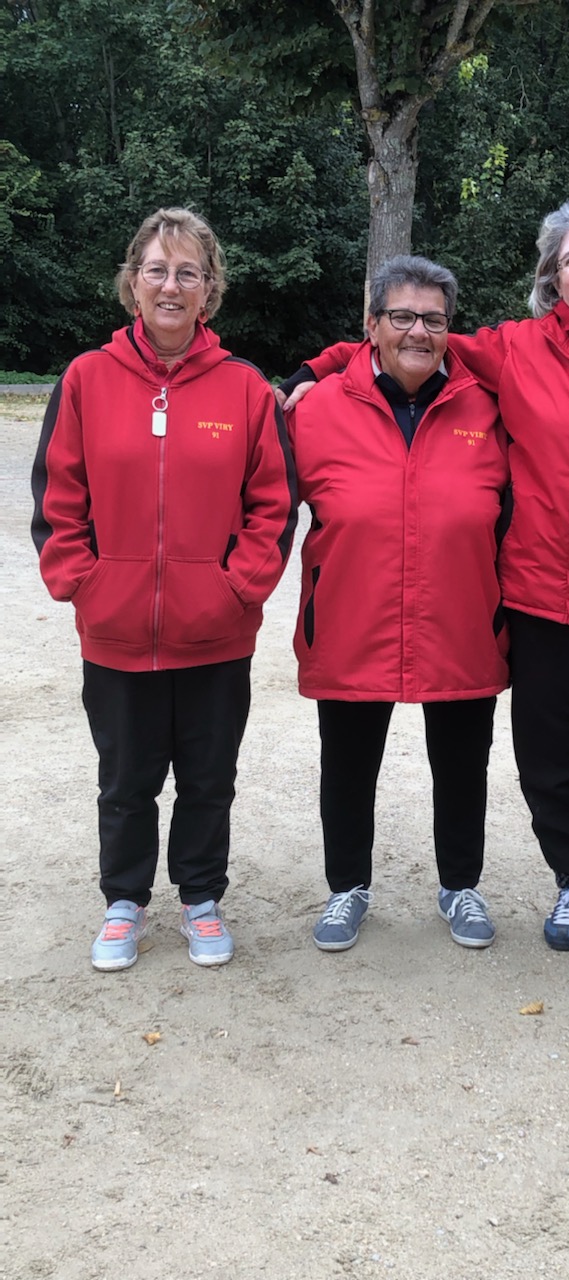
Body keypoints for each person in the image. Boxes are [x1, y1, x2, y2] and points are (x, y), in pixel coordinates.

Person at [279, 200, 569, 973]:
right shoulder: (517, 351)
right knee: (546, 758)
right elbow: (406, 335)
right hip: (539, 598)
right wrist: (314, 369)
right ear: (552, 278)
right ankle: (568, 879)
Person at [31, 207, 298, 972]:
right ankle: (124, 902)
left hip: (214, 634)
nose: (172, 285)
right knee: (125, 780)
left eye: (189, 272)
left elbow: (273, 506)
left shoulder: (245, 389)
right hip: (115, 633)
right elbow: (57, 493)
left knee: (209, 780)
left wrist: (235, 591)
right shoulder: (85, 379)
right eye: (158, 270)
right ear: (133, 284)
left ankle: (201, 899)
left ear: (209, 290)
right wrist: (84, 585)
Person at [287, 255, 509, 952]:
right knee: (347, 762)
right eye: (403, 317)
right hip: (353, 617)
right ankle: (347, 886)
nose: (419, 331)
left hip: (464, 618)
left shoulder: (492, 407)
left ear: (450, 328)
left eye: (434, 319)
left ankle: (460, 885)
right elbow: (259, 505)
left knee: (463, 761)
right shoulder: (314, 408)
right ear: (372, 325)